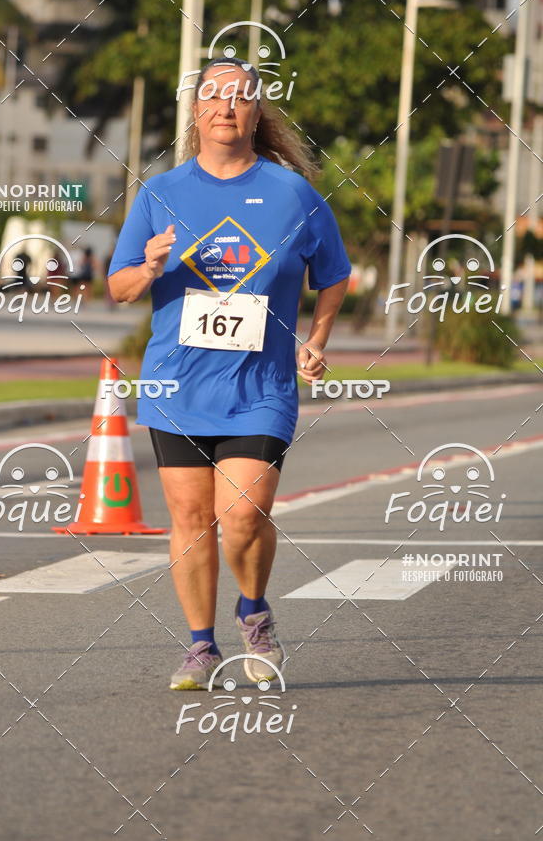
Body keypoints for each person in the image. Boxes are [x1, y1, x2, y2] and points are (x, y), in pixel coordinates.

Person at [108, 57, 351, 690]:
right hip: (176, 386)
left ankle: (254, 612)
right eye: (213, 96)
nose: (225, 107)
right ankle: (200, 646)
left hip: (261, 389)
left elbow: (334, 273)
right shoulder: (161, 192)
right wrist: (150, 266)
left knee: (243, 515)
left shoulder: (292, 193)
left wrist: (317, 339)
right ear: (195, 111)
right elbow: (119, 287)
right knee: (191, 521)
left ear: (256, 112)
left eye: (239, 97)